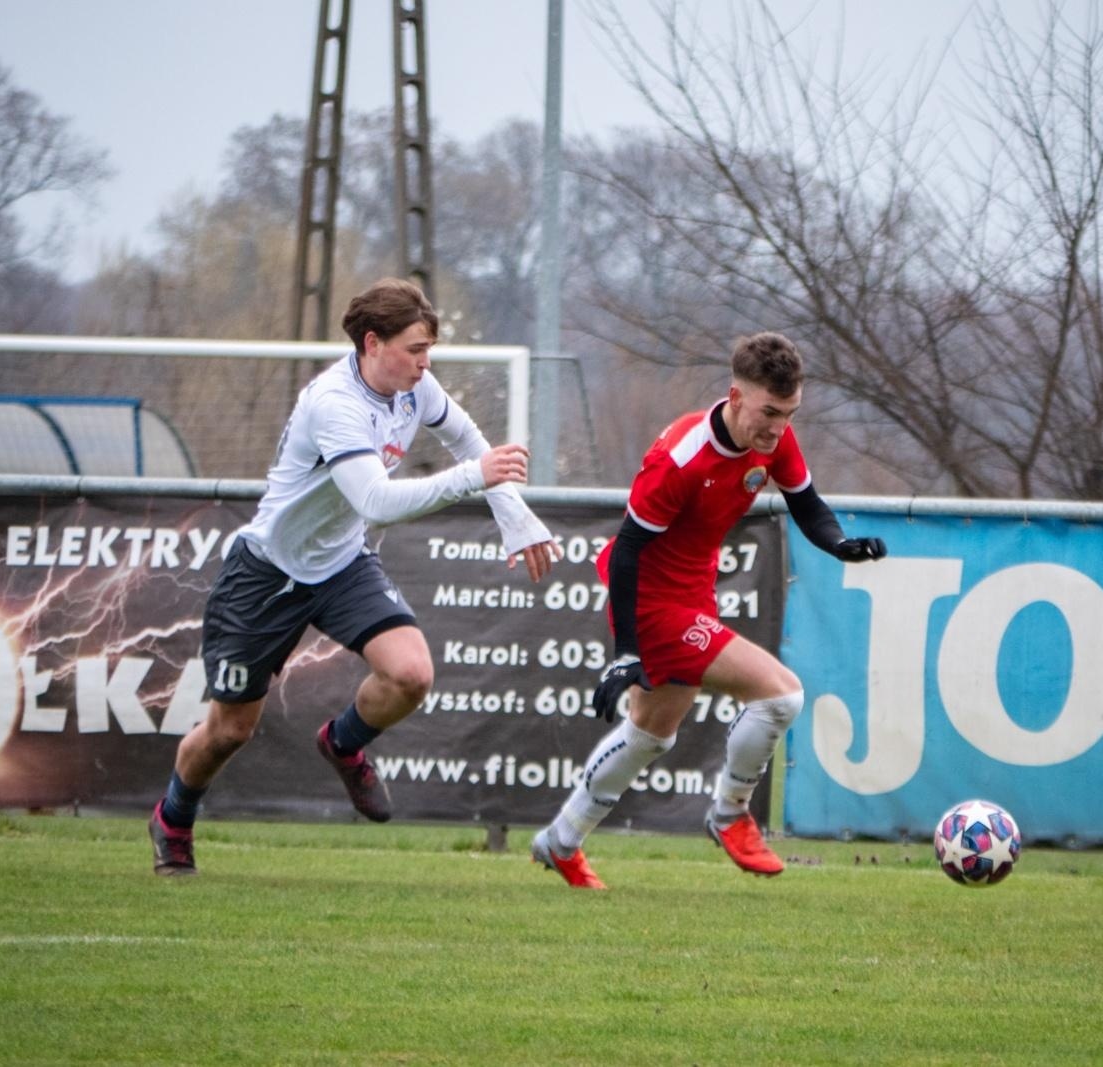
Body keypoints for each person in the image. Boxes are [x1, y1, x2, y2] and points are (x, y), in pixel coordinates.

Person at [149, 278, 561, 876]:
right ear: (373, 343)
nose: (426, 363)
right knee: (229, 730)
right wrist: (477, 476)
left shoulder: (414, 387)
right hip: (268, 574)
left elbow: (469, 442)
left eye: (429, 350)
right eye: (416, 349)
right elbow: (378, 501)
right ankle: (173, 818)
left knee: (411, 673)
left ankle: (342, 743)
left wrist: (516, 518)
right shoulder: (333, 402)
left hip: (341, 564)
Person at [531, 332, 887, 889]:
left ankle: (561, 840)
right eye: (770, 412)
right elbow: (626, 552)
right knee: (780, 695)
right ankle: (729, 814)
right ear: (736, 396)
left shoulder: (774, 440)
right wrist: (625, 653)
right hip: (650, 597)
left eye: (789, 414)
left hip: (693, 588)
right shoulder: (680, 457)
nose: (778, 428)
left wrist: (839, 543)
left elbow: (808, 505)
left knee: (652, 732)